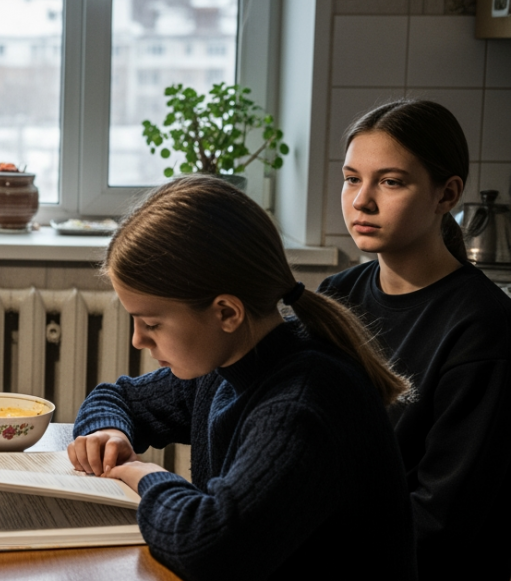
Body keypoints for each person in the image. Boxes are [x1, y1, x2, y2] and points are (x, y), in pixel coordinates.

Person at [68, 176, 415, 580]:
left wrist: (144, 476)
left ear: (227, 313)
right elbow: (118, 398)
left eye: (152, 323)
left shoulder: (303, 403)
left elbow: (212, 550)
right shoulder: (225, 365)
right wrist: (109, 433)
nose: (138, 339)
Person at [318, 99, 511, 579]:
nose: (361, 200)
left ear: (447, 194)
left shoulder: (483, 326)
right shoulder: (336, 297)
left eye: (390, 181)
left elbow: (442, 518)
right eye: (350, 178)